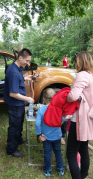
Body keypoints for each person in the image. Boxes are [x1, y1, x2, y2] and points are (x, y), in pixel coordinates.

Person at [66, 51, 93, 179]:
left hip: (79, 119)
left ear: (80, 61)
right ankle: (84, 176)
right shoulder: (90, 74)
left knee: (71, 153)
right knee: (83, 149)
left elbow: (73, 96)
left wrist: (69, 94)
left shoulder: (82, 75)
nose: (74, 63)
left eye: (75, 60)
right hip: (87, 117)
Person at [4, 48, 34, 158]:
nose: (28, 63)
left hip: (19, 105)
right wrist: (28, 99)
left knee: (19, 124)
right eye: (27, 61)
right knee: (14, 126)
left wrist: (25, 78)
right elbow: (13, 93)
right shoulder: (13, 72)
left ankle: (18, 139)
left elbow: (17, 79)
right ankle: (11, 150)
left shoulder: (16, 68)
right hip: (15, 104)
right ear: (20, 58)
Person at [35, 88, 64, 177]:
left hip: (46, 136)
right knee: (58, 151)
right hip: (57, 135)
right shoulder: (59, 108)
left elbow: (37, 124)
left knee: (47, 153)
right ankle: (60, 169)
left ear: (44, 99)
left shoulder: (41, 110)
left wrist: (39, 134)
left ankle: (47, 170)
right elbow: (61, 120)